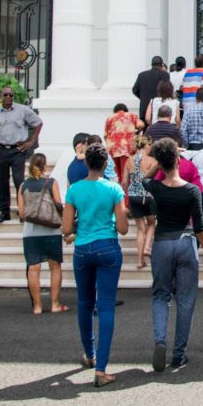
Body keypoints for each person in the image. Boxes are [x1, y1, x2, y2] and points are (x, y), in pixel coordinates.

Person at [140, 138, 203, 371]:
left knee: (161, 295)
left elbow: (142, 181)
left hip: (162, 242)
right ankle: (179, 353)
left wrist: (159, 163)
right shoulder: (192, 190)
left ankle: (160, 340)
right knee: (186, 299)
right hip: (185, 240)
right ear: (177, 160)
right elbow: (200, 226)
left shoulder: (156, 188)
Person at [62, 143, 129, 387]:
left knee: (84, 302)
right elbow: (123, 228)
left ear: (87, 163)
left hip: (83, 248)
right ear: (105, 164)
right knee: (107, 306)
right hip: (108, 246)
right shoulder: (113, 188)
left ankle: (89, 354)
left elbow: (66, 228)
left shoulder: (75, 190)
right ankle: (101, 368)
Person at [0, 87, 43, 224]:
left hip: (17, 150)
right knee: (1, 181)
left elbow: (38, 123)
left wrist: (31, 142)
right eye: (5, 95)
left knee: (19, 180)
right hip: (1, 150)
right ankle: (4, 211)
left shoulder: (23, 110)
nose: (8, 97)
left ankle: (22, 210)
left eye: (11, 95)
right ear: (1, 96)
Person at [17, 153, 66, 315]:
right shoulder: (51, 183)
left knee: (33, 268)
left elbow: (22, 213)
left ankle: (37, 306)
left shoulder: (23, 186)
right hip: (51, 230)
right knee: (55, 266)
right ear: (44, 166)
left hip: (31, 232)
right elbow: (58, 205)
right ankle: (55, 304)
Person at [124, 135, 156, 270]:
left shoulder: (129, 160)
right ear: (145, 145)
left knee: (140, 228)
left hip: (133, 196)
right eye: (149, 145)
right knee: (151, 223)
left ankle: (139, 260)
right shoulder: (152, 160)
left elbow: (124, 181)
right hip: (147, 195)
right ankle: (147, 247)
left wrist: (127, 194)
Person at [105, 103, 144, 182]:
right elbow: (141, 125)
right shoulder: (131, 116)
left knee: (116, 175)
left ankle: (118, 192)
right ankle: (125, 193)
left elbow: (105, 135)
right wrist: (137, 133)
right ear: (126, 110)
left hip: (113, 149)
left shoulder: (110, 118)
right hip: (126, 149)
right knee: (125, 174)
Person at [132, 56, 171, 125]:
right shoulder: (165, 74)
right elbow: (167, 89)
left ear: (151, 64)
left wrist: (143, 97)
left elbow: (135, 90)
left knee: (146, 133)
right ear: (162, 65)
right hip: (160, 108)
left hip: (144, 107)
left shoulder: (142, 75)